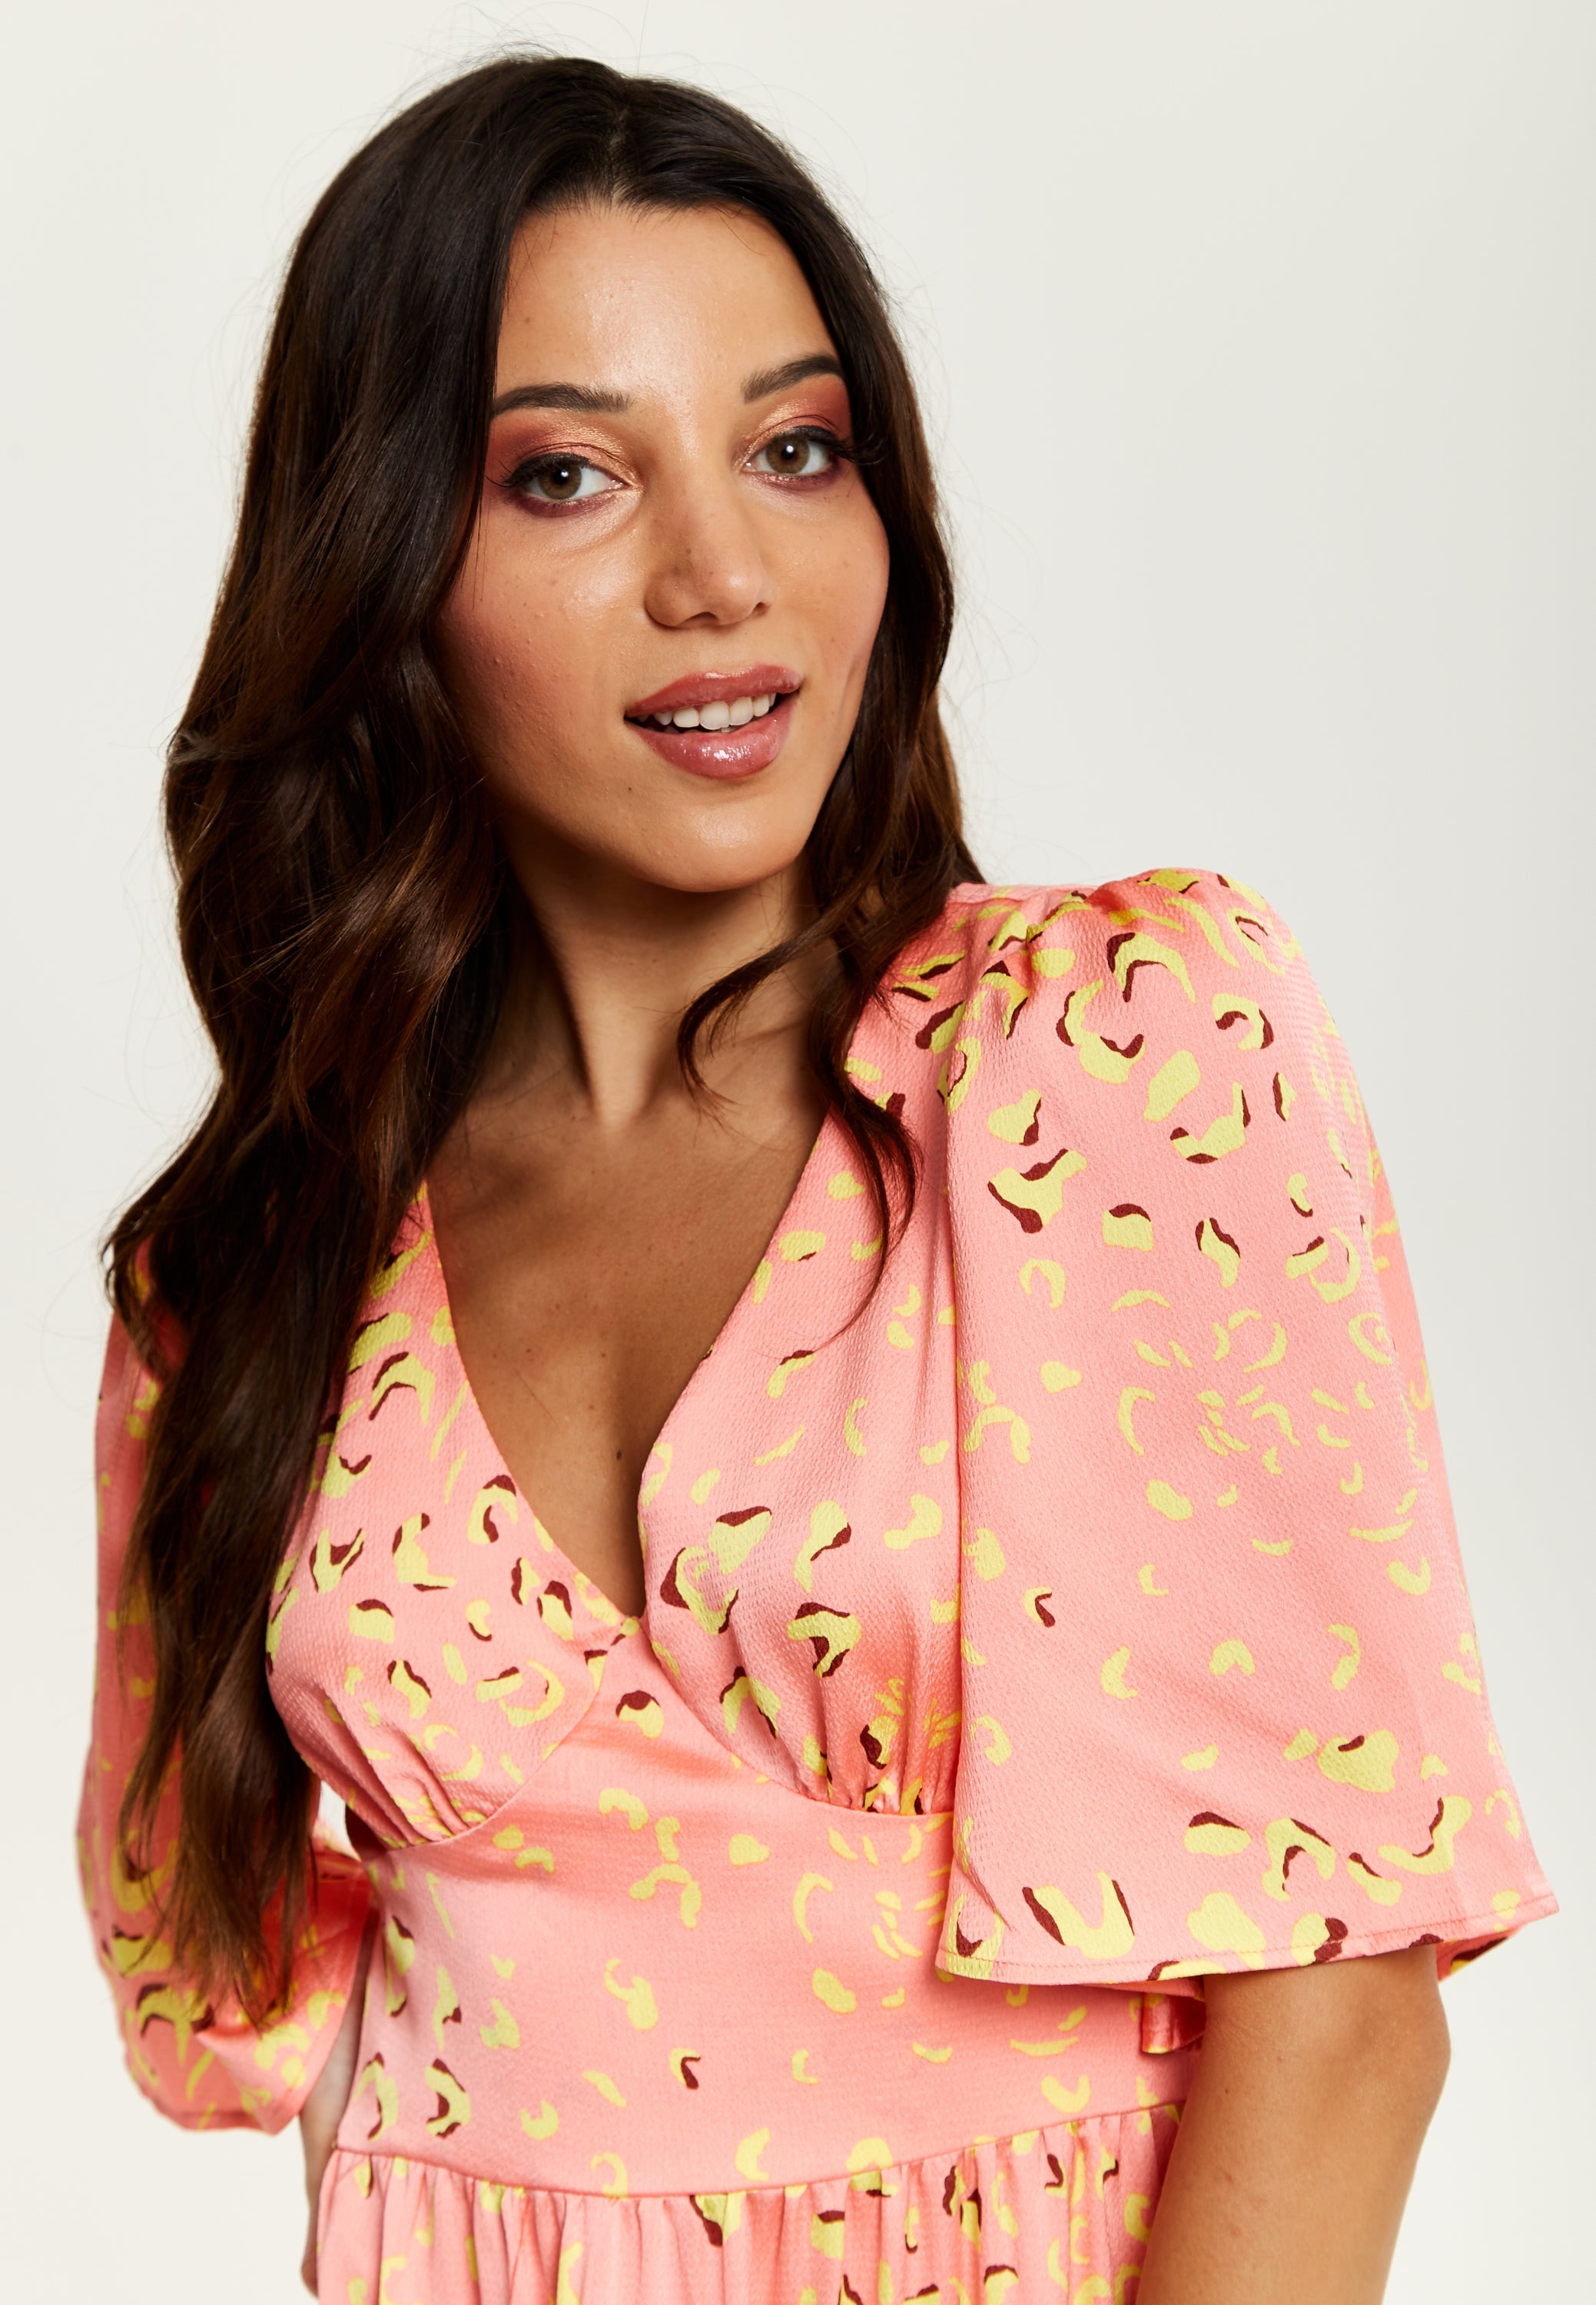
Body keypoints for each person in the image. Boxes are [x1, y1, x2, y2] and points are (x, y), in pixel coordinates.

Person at [78, 52, 1555, 2305]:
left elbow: (1340, 2012)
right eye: (567, 476)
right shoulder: (261, 1271)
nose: (722, 576)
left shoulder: (1104, 1057)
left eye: (797, 449)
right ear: (382, 566)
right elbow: (262, 2018)